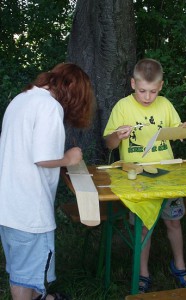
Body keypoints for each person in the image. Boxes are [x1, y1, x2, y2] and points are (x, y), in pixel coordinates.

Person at [0, 63, 95, 300]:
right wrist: (69, 158)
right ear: (73, 93)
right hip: (29, 211)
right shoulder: (49, 106)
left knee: (23, 268)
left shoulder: (23, 98)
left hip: (9, 204)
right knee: (25, 275)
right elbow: (43, 158)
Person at [103, 58, 186, 293]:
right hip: (137, 177)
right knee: (143, 228)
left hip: (167, 175)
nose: (147, 97)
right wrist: (117, 135)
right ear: (133, 84)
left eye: (153, 92)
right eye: (143, 91)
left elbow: (176, 132)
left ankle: (179, 265)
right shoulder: (122, 106)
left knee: (174, 222)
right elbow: (108, 144)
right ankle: (143, 272)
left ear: (161, 86)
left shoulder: (165, 104)